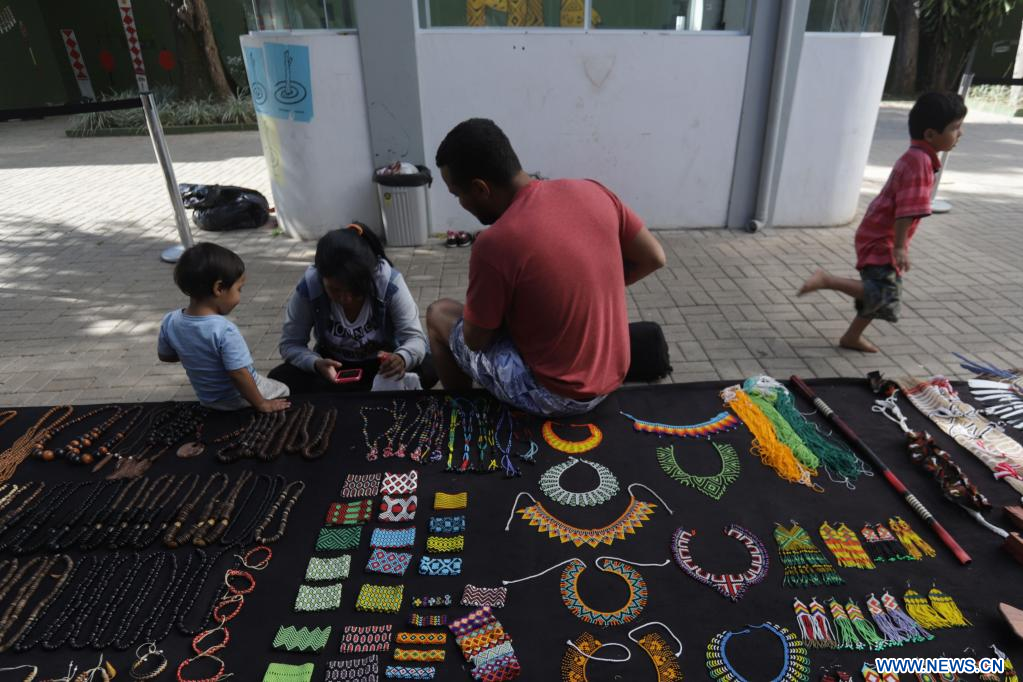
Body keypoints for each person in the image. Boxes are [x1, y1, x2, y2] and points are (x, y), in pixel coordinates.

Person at [426, 118, 667, 416]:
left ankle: (461, 417)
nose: (460, 203)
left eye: (457, 195)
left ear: (480, 188)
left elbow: (476, 341)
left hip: (554, 396)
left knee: (439, 314)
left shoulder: (494, 243)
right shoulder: (593, 191)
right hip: (612, 375)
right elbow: (654, 256)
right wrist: (586, 292)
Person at [798, 92, 966, 352]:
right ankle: (826, 280)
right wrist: (899, 247)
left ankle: (851, 337)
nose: (960, 134)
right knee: (885, 292)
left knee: (879, 289)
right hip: (881, 238)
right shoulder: (920, 163)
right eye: (955, 128)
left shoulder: (917, 156)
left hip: (877, 232)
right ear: (931, 134)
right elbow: (905, 211)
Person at [270, 223, 436, 392]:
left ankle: (357, 391)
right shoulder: (310, 285)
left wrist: (402, 358)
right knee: (281, 377)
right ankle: (368, 391)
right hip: (334, 368)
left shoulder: (388, 282)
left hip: (383, 367)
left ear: (369, 277)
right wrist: (315, 363)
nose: (345, 298)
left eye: (355, 289)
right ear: (322, 278)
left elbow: (415, 338)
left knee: (431, 366)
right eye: (334, 290)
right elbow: (290, 344)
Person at [158, 242, 291, 412]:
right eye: (239, 289)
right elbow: (238, 374)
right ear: (219, 288)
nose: (239, 296)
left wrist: (193, 353)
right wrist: (262, 403)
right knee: (284, 389)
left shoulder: (170, 320)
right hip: (236, 399)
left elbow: (165, 356)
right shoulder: (224, 330)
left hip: (208, 399)